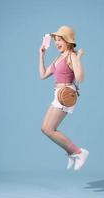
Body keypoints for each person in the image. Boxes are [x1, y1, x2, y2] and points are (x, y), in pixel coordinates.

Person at [39, 26, 89, 170]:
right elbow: (42, 75)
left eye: (60, 39)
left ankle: (79, 152)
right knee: (45, 128)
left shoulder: (71, 56)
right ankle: (72, 152)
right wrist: (41, 55)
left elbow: (80, 78)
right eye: (56, 40)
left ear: (68, 41)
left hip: (66, 94)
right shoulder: (58, 57)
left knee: (49, 129)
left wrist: (78, 58)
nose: (57, 42)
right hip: (57, 93)